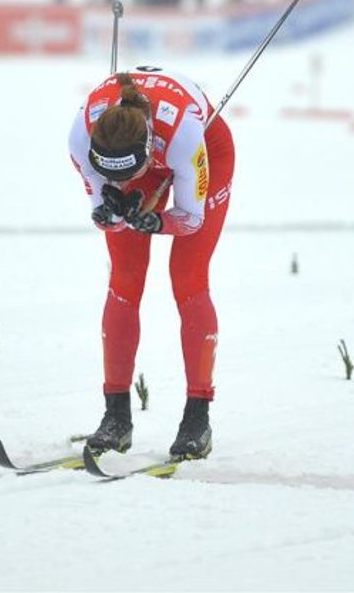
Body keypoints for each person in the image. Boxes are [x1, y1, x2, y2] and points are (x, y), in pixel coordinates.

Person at [68, 67, 235, 460]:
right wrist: (113, 205)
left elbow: (190, 220)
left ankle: (197, 421)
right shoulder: (80, 139)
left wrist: (157, 221)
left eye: (129, 174)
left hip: (206, 150)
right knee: (124, 282)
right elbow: (101, 213)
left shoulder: (183, 139)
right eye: (114, 176)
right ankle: (116, 418)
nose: (124, 182)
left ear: (147, 149)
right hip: (137, 154)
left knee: (188, 280)